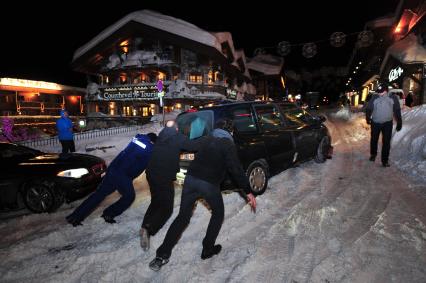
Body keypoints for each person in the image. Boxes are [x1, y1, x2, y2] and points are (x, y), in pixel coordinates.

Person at [149, 119, 257, 271]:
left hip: (190, 181)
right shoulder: (227, 144)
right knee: (218, 213)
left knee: (182, 217)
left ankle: (161, 255)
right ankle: (207, 249)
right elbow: (236, 169)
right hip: (208, 185)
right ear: (230, 132)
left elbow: (189, 148)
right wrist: (248, 191)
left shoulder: (207, 138)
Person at [66, 132, 157, 226]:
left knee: (99, 194)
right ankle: (109, 213)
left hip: (113, 170)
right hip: (122, 174)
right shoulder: (147, 146)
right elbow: (152, 152)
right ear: (152, 142)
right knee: (129, 196)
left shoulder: (138, 141)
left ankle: (75, 217)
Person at [139, 120, 203, 251]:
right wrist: (208, 139)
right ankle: (149, 229)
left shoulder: (162, 135)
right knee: (167, 208)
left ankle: (145, 226)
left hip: (151, 173)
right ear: (176, 129)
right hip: (163, 176)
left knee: (156, 201)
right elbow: (194, 145)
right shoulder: (177, 137)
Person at [366, 83, 402, 167]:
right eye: (378, 91)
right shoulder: (375, 97)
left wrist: (399, 121)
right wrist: (368, 117)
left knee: (386, 142)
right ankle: (373, 154)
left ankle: (385, 160)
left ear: (386, 91)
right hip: (375, 123)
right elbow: (369, 108)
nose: (379, 93)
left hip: (387, 123)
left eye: (381, 92)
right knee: (374, 139)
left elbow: (397, 110)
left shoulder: (393, 98)